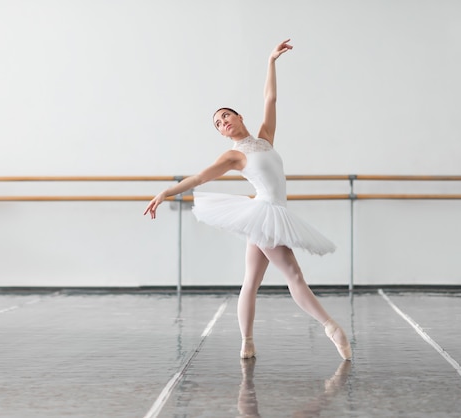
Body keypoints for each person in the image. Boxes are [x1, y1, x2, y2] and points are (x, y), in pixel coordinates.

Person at [144, 39, 351, 361]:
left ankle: (247, 342)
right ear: (222, 133)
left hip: (267, 212)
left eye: (226, 116)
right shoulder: (232, 156)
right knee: (293, 276)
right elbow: (198, 178)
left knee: (251, 282)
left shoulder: (265, 138)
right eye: (218, 124)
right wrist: (164, 192)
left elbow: (271, 98)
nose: (223, 122)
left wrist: (271, 60)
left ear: (239, 117)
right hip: (266, 214)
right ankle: (331, 327)